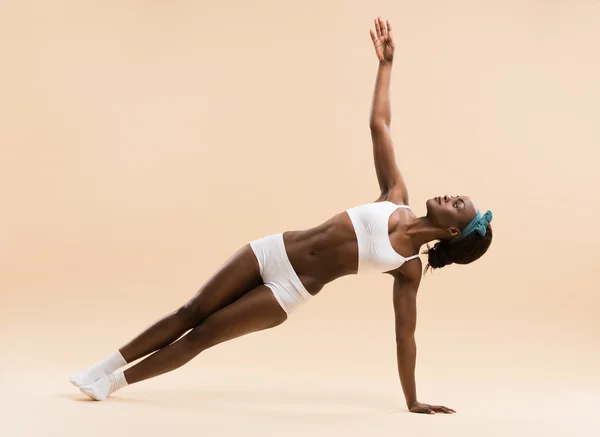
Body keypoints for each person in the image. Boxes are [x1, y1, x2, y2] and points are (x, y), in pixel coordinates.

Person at [69, 17, 493, 415]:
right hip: (271, 249)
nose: (450, 196)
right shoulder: (395, 196)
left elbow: (405, 336)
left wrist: (413, 400)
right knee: (190, 310)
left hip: (288, 290)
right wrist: (386, 65)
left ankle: (113, 384)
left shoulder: (407, 268)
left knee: (202, 336)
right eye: (456, 196)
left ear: (453, 230)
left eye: (456, 204)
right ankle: (99, 368)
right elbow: (379, 124)